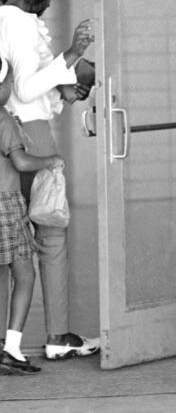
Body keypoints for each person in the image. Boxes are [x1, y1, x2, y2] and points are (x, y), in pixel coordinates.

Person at [0, 0, 99, 359]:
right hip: (31, 135)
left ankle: (12, 342)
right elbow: (25, 89)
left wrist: (61, 91)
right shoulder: (20, 25)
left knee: (9, 244)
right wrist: (73, 54)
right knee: (51, 234)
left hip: (11, 131)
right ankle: (57, 336)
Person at [0, 58, 64, 374]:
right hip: (6, 205)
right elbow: (22, 163)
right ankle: (11, 347)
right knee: (25, 274)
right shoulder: (2, 118)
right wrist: (51, 159)